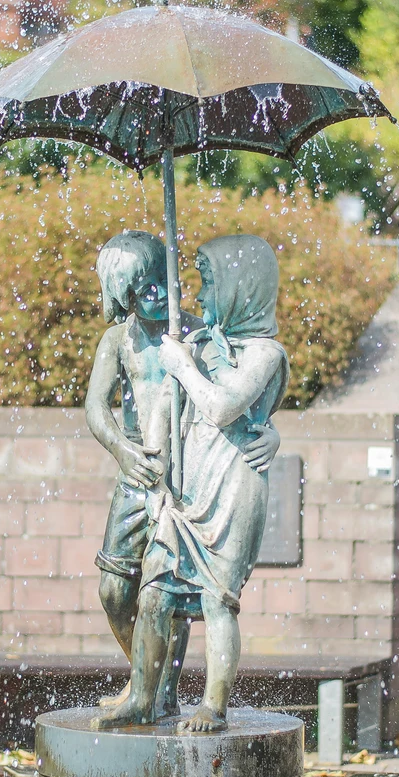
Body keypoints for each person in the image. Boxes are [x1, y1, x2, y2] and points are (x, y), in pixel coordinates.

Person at [92, 234, 289, 732]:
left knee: (188, 594)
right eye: (141, 290)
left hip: (199, 478)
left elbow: (246, 404)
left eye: (163, 282)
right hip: (146, 473)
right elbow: (106, 407)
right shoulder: (123, 342)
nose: (158, 295)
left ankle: (171, 694)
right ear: (123, 298)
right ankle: (147, 682)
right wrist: (125, 448)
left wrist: (274, 436)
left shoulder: (203, 334)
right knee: (123, 589)